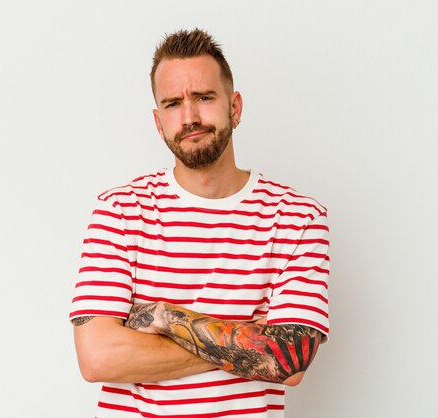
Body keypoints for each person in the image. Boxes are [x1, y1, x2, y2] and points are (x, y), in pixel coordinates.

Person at [70, 28, 330, 417]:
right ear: (158, 122)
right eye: (173, 103)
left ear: (235, 107)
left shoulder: (298, 217)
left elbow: (288, 360)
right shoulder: (119, 211)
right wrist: (248, 341)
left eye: (204, 98)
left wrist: (161, 316)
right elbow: (97, 358)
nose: (189, 117)